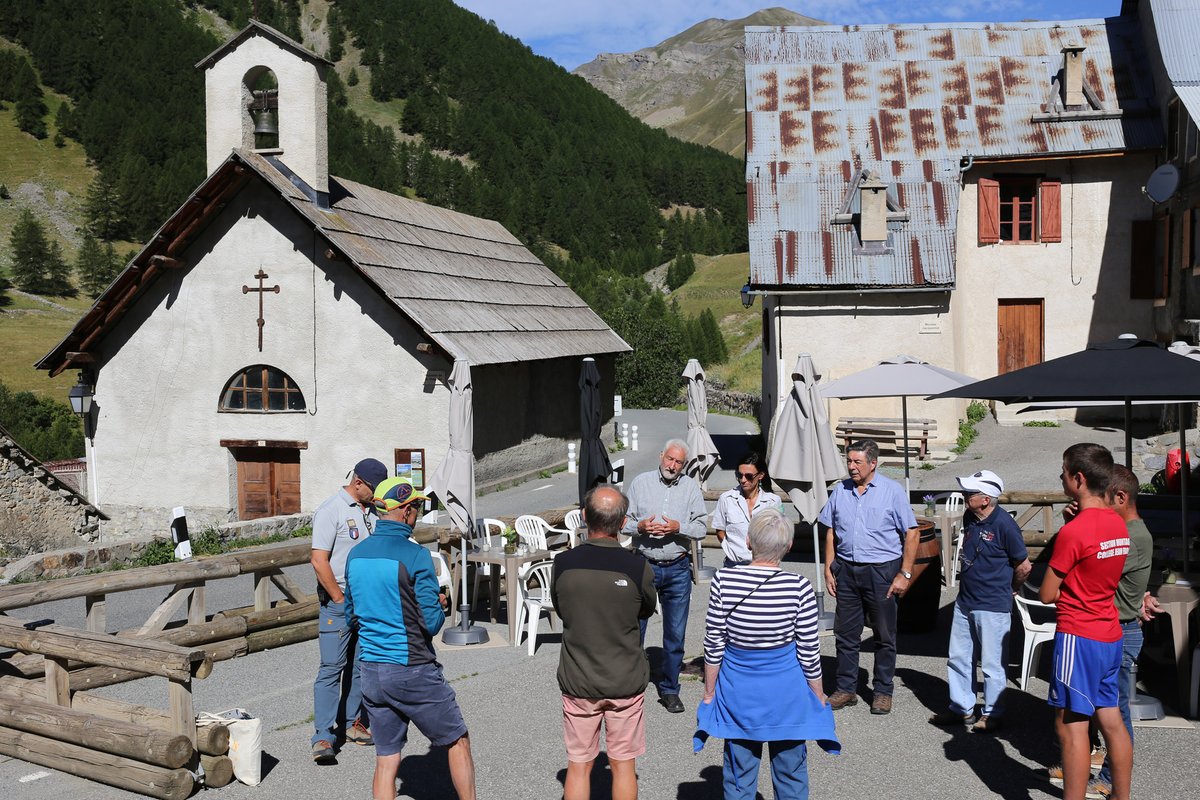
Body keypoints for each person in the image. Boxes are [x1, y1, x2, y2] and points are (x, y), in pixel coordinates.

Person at [345, 477, 476, 800]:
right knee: (457, 739)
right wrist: (440, 606)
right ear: (403, 511)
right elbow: (430, 622)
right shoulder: (416, 556)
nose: (417, 512)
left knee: (386, 757)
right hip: (411, 667)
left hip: (372, 670)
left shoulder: (355, 555)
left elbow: (351, 615)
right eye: (415, 506)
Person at [695, 510, 839, 800]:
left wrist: (709, 693)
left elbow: (714, 645)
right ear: (787, 548)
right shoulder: (799, 587)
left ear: (748, 541)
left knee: (739, 776)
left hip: (738, 690)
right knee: (791, 776)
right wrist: (818, 694)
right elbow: (809, 651)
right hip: (786, 692)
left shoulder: (724, 581)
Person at [552, 486, 658, 800]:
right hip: (624, 678)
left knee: (579, 765)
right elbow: (646, 609)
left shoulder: (563, 563)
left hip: (579, 679)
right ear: (624, 522)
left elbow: (561, 608)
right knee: (624, 764)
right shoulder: (637, 567)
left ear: (584, 517)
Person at [1040, 443, 1131, 800]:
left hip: (1079, 635)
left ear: (1078, 479)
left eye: (1063, 472)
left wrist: (1070, 533)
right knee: (1111, 721)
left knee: (1071, 727)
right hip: (1110, 633)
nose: (1061, 478)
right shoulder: (1117, 522)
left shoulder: (1074, 531)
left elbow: (1048, 594)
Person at [818, 439, 918, 715]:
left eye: (856, 462)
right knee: (845, 633)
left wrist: (904, 573)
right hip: (847, 570)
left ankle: (883, 691)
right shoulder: (841, 491)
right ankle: (846, 688)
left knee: (884, 635)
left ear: (873, 463)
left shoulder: (892, 491)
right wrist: (829, 566)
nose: (851, 467)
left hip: (882, 571)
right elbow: (830, 529)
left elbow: (912, 532)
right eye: (849, 461)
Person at [928, 469, 1031, 733]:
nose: (964, 495)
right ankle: (961, 709)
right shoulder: (970, 517)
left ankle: (992, 713)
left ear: (986, 499)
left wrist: (1011, 589)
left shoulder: (1005, 526)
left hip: (992, 604)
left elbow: (1024, 566)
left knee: (992, 663)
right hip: (965, 601)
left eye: (970, 493)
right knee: (959, 657)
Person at [1085, 465, 1156, 799]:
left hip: (1122, 630)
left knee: (1115, 713)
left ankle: (1114, 778)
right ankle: (1094, 763)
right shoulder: (1122, 530)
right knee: (1098, 707)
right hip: (1112, 627)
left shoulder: (1132, 537)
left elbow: (1091, 569)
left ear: (1121, 497)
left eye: (1103, 496)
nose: (1097, 502)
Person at [310, 457, 387, 763]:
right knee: (331, 668)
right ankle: (323, 736)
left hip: (366, 600)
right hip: (339, 600)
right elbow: (319, 560)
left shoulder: (372, 511)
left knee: (360, 665)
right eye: (373, 488)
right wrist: (339, 599)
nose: (377, 494)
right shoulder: (332, 510)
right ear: (358, 483)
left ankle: (351, 722)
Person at [623, 438, 708, 714]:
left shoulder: (690, 487)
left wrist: (678, 527)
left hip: (677, 566)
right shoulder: (640, 483)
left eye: (678, 462)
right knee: (636, 629)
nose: (672, 465)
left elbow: (701, 527)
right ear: (661, 455)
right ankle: (631, 685)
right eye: (669, 459)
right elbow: (623, 522)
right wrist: (641, 526)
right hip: (644, 564)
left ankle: (670, 689)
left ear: (684, 465)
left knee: (675, 633)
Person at [712, 452, 783, 568]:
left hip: (764, 565)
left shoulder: (773, 501)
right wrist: (730, 550)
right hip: (734, 565)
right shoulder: (726, 499)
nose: (743, 480)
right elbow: (720, 530)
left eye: (749, 476)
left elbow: (778, 533)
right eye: (739, 475)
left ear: (760, 475)